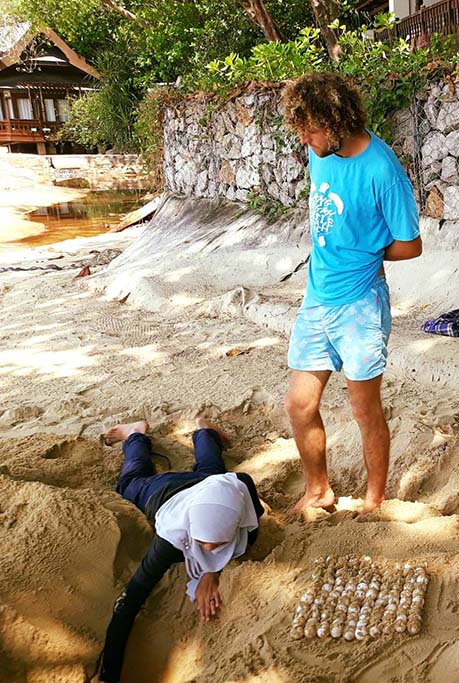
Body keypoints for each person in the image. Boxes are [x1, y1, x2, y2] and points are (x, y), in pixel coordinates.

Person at [280, 73, 423, 516]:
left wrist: (367, 253)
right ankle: (318, 489)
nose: (305, 137)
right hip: (317, 297)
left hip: (361, 303)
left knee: (364, 410)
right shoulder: (317, 149)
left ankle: (375, 499)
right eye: (300, 128)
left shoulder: (382, 169)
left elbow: (411, 243)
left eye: (311, 128)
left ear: (337, 121)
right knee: (299, 404)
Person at [97, 418, 265, 682]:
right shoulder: (170, 541)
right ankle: (135, 435)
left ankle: (205, 430)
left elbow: (241, 486)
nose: (209, 550)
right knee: (131, 481)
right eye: (201, 542)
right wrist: (109, 674)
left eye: (219, 544)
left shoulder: (235, 498)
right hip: (160, 494)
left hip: (205, 490)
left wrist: (212, 572)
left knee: (213, 472)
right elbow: (129, 602)